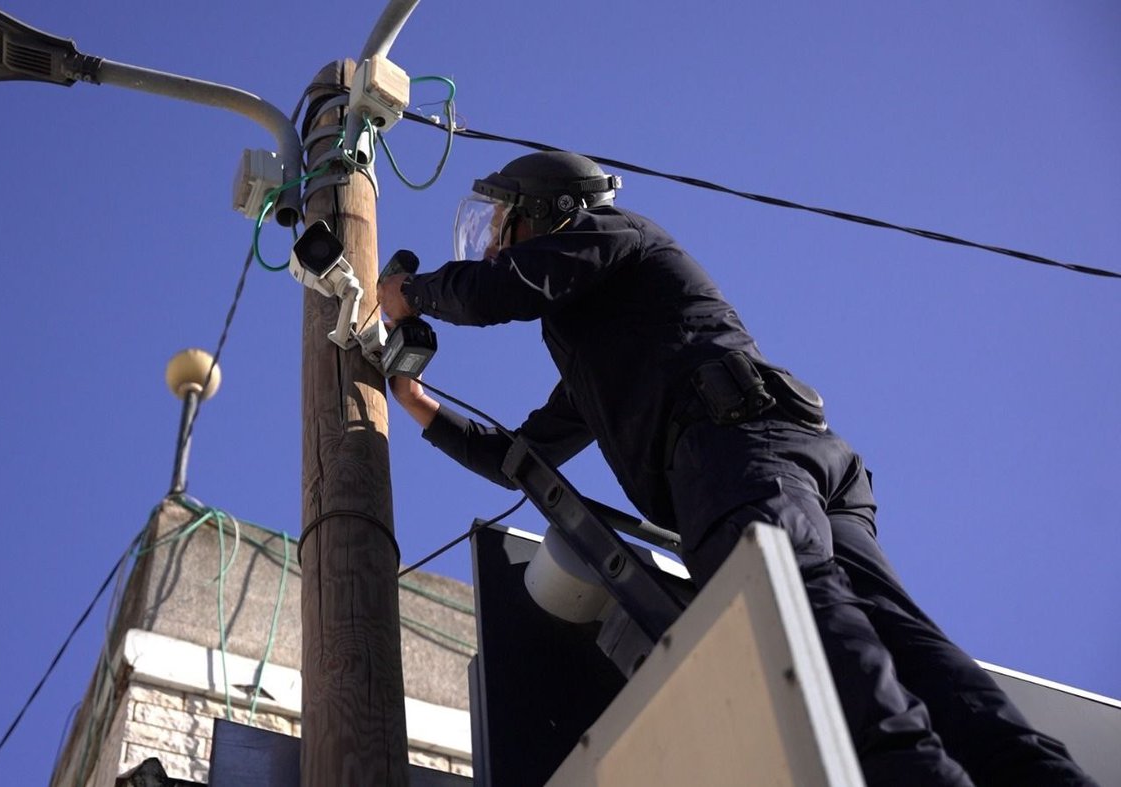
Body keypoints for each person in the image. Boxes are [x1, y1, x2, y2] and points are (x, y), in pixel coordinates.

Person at [377, 151, 1095, 786]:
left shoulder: (612, 236)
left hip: (735, 450)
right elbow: (520, 461)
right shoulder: (605, 342)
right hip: (776, 455)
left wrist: (412, 295)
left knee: (797, 620)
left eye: (503, 226)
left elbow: (503, 288)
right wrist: (414, 401)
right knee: (902, 646)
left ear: (552, 212)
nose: (495, 246)